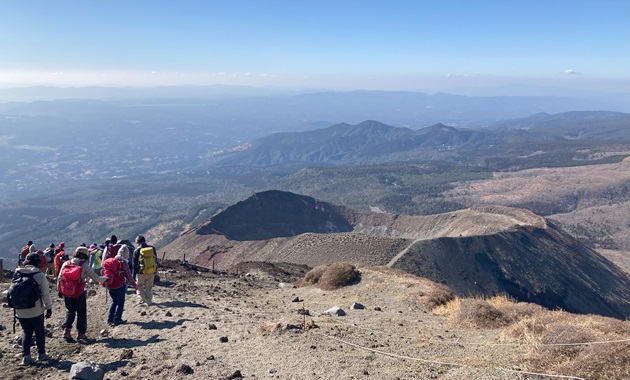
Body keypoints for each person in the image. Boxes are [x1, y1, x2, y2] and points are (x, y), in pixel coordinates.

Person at [57, 247, 108, 343]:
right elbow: (96, 278)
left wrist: (60, 291)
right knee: (81, 313)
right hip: (79, 293)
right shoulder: (84, 265)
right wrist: (105, 279)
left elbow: (60, 278)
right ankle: (81, 334)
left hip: (67, 292)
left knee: (70, 311)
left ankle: (67, 330)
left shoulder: (66, 264)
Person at [13, 252, 53, 365]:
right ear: (38, 262)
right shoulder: (39, 276)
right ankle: (42, 354)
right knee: (39, 331)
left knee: (26, 332)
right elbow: (45, 294)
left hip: (20, 309)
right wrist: (49, 307)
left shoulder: (17, 274)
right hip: (36, 309)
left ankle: (26, 357)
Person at [103, 245, 138, 326]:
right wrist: (134, 285)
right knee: (120, 303)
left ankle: (110, 318)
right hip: (119, 286)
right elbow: (128, 276)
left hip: (110, 286)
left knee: (114, 301)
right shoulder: (123, 263)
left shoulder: (113, 261)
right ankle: (117, 318)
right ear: (126, 255)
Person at [132, 235, 158, 306]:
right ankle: (149, 301)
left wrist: (133, 276)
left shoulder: (136, 251)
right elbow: (155, 260)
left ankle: (141, 299)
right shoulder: (152, 249)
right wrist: (155, 270)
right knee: (149, 287)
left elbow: (134, 265)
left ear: (138, 242)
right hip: (151, 271)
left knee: (139, 286)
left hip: (141, 272)